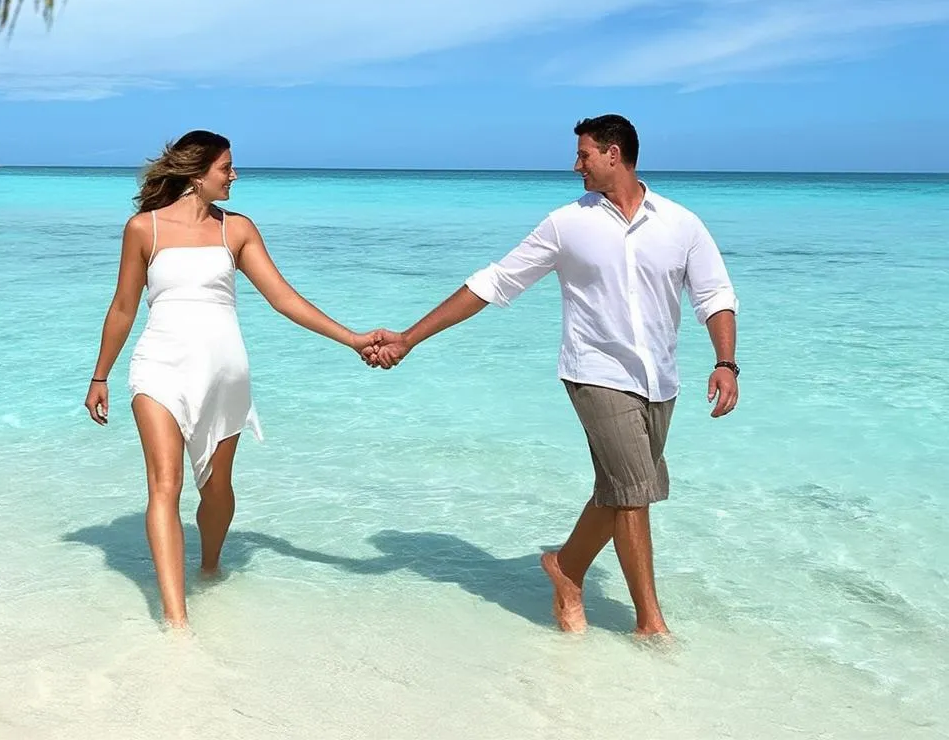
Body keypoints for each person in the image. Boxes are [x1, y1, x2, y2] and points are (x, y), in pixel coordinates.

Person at [364, 114, 739, 636]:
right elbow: (494, 282)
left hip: (660, 378)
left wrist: (725, 363)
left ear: (614, 153)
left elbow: (714, 296)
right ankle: (650, 624)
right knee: (633, 490)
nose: (576, 165)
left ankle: (565, 567)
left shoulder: (682, 224)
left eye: (584, 154)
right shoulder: (567, 224)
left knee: (618, 488)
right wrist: (409, 337)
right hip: (595, 373)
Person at [84, 130, 381, 628]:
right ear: (197, 174)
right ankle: (176, 620)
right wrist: (100, 376)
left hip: (225, 373)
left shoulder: (236, 230)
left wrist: (350, 339)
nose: (234, 175)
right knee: (165, 485)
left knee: (216, 488)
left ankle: (210, 564)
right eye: (226, 167)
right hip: (159, 366)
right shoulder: (144, 229)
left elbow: (284, 298)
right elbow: (122, 307)